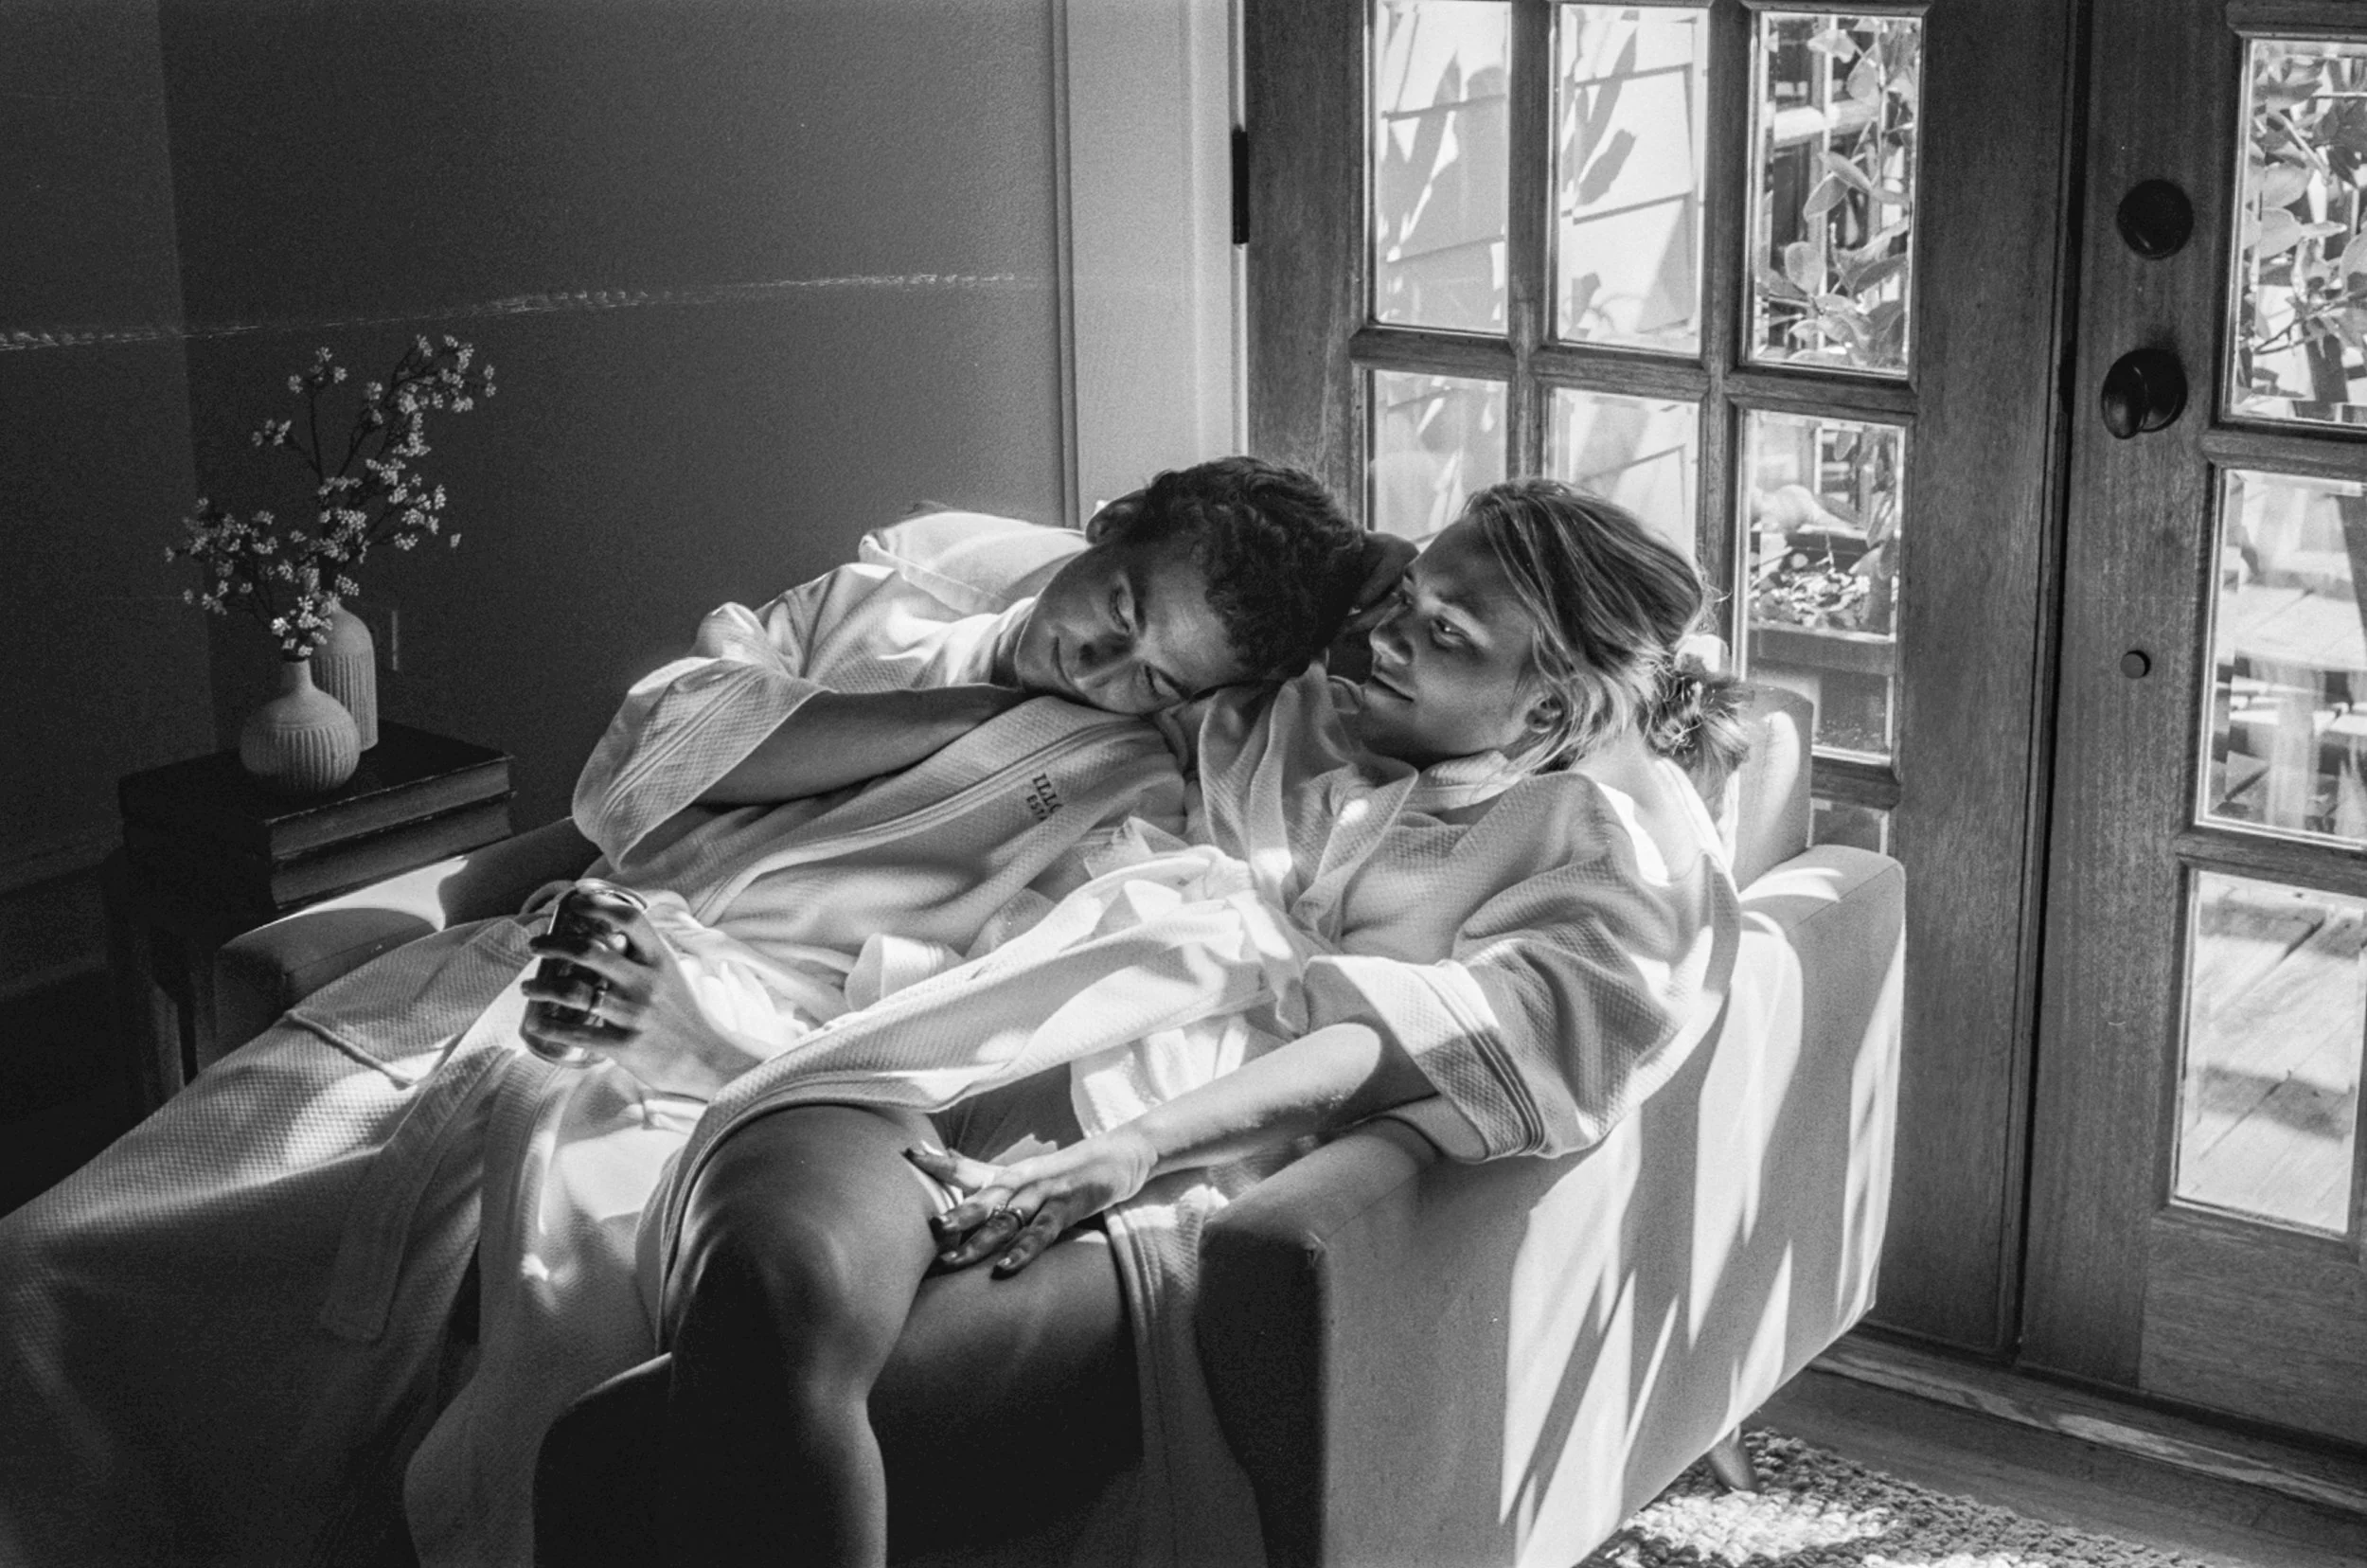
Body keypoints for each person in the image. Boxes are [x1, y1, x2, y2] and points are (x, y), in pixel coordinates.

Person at [0, 456, 1374, 1568]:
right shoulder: (872, 610)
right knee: (52, 1269)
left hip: (711, 1054)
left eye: (1164, 682)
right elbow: (648, 753)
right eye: (1120, 612)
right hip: (498, 975)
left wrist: (684, 1002)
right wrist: (971, 701)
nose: (1107, 672)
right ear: (1106, 529)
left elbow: (947, 1016)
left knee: (485, 1397)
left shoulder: (1127, 789)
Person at [539, 477, 1748, 1568]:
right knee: (765, 1283)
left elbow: (1404, 1038)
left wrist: (1137, 1149)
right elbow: (1286, 561)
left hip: (1157, 1145)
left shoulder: (1598, 854)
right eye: (1409, 594)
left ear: (1549, 715)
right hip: (973, 1044)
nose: (1380, 636)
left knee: (613, 1458)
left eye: (1443, 635)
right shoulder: (1325, 696)